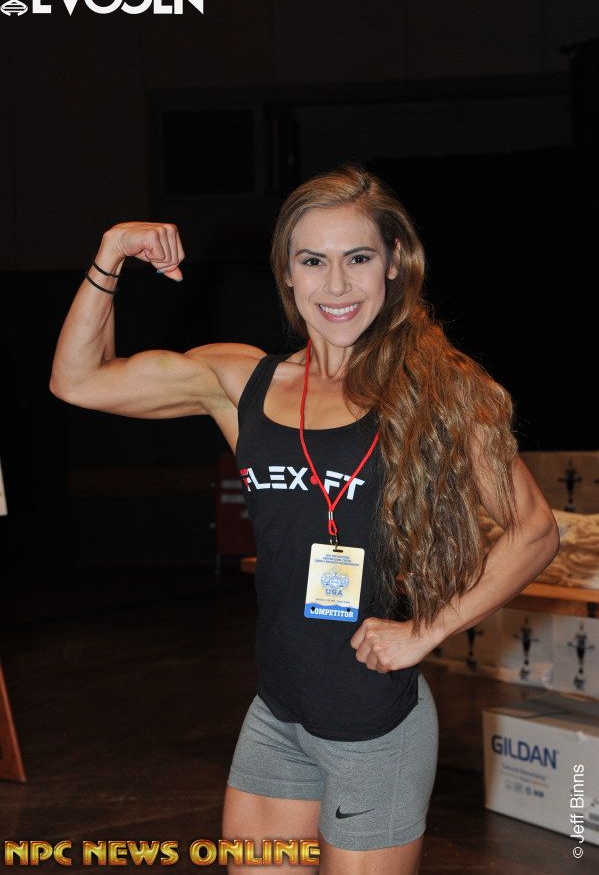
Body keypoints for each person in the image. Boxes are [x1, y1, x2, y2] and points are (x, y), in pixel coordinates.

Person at [49, 163, 560, 874]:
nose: (337, 285)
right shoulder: (243, 382)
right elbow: (76, 381)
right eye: (313, 261)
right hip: (277, 714)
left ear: (393, 265)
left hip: (375, 726)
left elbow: (535, 530)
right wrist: (109, 255)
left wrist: (427, 631)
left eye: (358, 258)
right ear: (286, 275)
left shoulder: (442, 393)